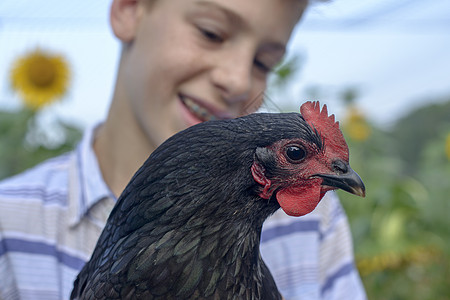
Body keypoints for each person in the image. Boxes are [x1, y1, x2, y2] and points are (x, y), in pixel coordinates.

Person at [0, 0, 366, 299]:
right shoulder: (9, 225)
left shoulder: (316, 227)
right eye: (211, 33)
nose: (237, 80)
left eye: (263, 63)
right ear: (129, 8)